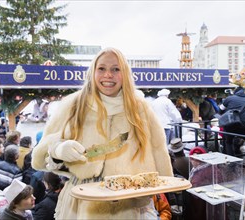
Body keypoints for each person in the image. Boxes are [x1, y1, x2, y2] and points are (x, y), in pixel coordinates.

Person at [32, 47, 173, 219]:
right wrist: (58, 150)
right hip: (81, 206)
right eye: (102, 68)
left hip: (129, 208)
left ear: (125, 74)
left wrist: (166, 186)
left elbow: (160, 154)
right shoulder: (73, 105)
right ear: (93, 71)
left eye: (115, 69)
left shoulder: (141, 108)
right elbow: (39, 159)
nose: (108, 75)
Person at [219, 86, 245, 168]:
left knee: (228, 142)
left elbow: (220, 110)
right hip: (244, 126)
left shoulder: (229, 98)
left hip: (230, 125)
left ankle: (232, 165)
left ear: (236, 92)